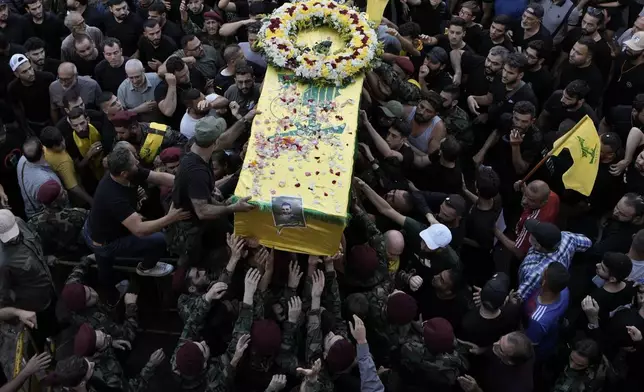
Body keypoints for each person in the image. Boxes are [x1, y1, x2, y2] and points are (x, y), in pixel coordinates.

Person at [82, 145, 190, 304]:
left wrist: (187, 184)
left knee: (104, 264)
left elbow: (158, 177)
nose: (138, 163)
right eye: (134, 163)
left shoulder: (130, 173)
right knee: (159, 240)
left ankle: (106, 280)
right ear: (124, 173)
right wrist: (171, 217)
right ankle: (145, 268)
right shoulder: (113, 196)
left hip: (108, 227)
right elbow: (139, 230)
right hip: (105, 241)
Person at [167, 114, 255, 265]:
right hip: (194, 231)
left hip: (204, 215)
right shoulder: (196, 172)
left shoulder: (195, 146)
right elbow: (203, 211)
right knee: (209, 259)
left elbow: (225, 139)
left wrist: (246, 118)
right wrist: (233, 207)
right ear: (213, 143)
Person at [0, 208, 59, 347]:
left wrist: (45, 257)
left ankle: (56, 329)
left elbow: (34, 243)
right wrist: (15, 313)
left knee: (53, 312)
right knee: (41, 329)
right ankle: (47, 349)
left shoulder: (19, 222)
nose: (13, 238)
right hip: (34, 302)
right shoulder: (2, 262)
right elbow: (4, 294)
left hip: (48, 284)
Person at [517, 219, 591, 301]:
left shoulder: (534, 272)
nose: (529, 234)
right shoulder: (567, 238)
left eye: (532, 235)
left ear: (537, 245)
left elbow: (519, 298)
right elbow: (588, 243)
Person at [27, 179, 88, 256]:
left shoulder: (32, 223)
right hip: (80, 258)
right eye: (62, 194)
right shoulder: (78, 215)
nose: (65, 192)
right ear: (54, 204)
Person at [109, 110, 187, 166]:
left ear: (134, 128)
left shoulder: (160, 132)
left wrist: (165, 155)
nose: (119, 136)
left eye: (122, 133)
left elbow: (184, 142)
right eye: (117, 132)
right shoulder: (120, 138)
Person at [7, 53, 55, 136]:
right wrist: (25, 127)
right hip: (32, 123)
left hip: (51, 120)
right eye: (24, 72)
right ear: (16, 74)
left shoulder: (47, 78)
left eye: (30, 68)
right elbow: (16, 107)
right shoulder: (13, 87)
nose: (30, 73)